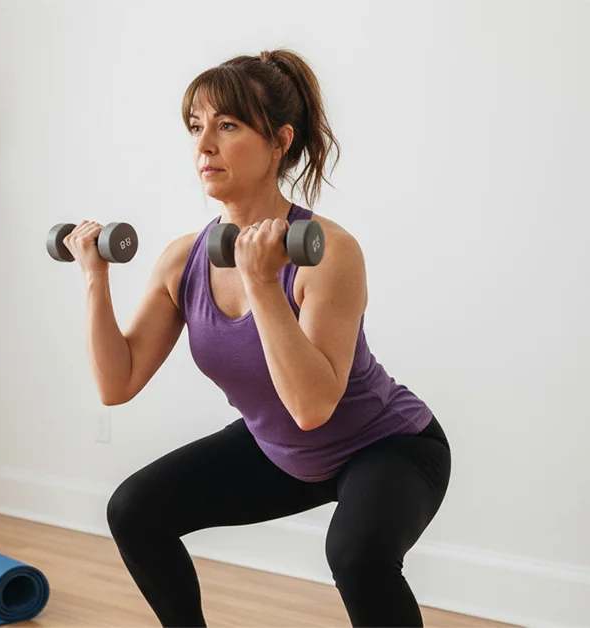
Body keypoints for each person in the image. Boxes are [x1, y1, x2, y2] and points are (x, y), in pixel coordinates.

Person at [60, 48, 451, 627]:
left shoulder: (328, 252)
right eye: (196, 127)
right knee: (135, 510)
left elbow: (314, 406)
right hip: (282, 449)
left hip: (387, 446)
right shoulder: (184, 260)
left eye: (227, 125)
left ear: (279, 142)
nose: (204, 146)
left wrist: (263, 284)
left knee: (357, 554)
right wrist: (95, 277)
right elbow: (117, 384)